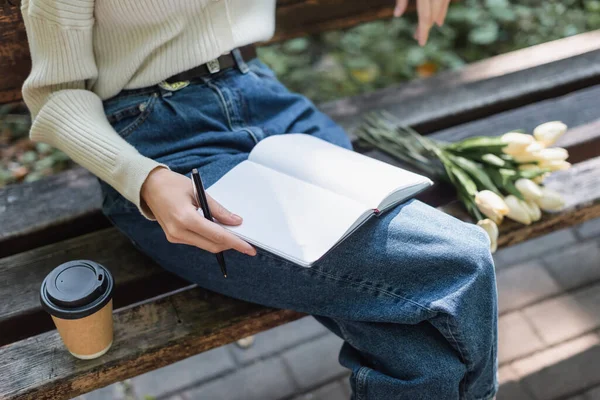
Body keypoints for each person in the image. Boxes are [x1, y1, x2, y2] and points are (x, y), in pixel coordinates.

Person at [21, 0, 497, 398]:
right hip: (162, 148)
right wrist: (144, 179)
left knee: (416, 350)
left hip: (267, 101)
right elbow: (55, 95)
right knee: (459, 262)